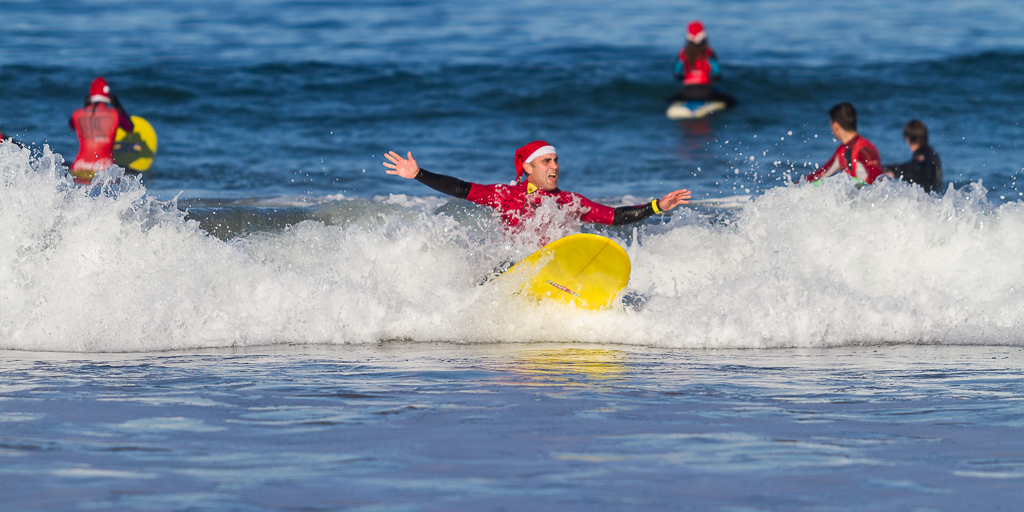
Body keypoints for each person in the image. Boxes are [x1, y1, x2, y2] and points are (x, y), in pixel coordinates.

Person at [383, 141, 692, 242]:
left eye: (556, 160)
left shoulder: (570, 201)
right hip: (515, 266)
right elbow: (461, 188)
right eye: (547, 161)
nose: (554, 166)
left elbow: (614, 217)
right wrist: (419, 174)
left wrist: (657, 207)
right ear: (529, 168)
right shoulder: (505, 194)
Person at [798, 102, 884, 185]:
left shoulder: (864, 150)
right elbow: (819, 175)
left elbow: (878, 180)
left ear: (835, 126)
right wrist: (795, 187)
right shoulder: (841, 151)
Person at [68, 77, 134, 184]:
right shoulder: (116, 115)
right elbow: (129, 127)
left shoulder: (77, 114)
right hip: (104, 168)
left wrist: (86, 107)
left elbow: (72, 125)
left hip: (79, 167)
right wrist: (118, 105)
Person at [671, 20, 737, 107]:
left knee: (669, 101)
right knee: (733, 102)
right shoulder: (709, 52)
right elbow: (717, 73)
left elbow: (676, 73)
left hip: (687, 92)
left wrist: (685, 79)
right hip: (706, 91)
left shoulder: (683, 53)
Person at [883, 119, 942, 193]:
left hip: (924, 197)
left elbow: (918, 174)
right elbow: (910, 167)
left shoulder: (922, 154)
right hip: (934, 196)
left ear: (907, 139)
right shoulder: (931, 153)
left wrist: (894, 173)